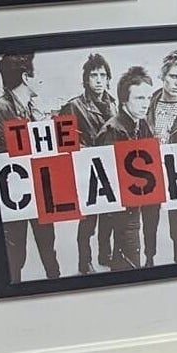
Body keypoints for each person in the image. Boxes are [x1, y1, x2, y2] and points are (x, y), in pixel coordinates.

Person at [0, 53, 60, 281]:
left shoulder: (29, 108)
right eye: (38, 77)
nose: (41, 82)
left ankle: (55, 282)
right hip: (15, 192)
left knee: (48, 242)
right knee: (16, 250)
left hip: (35, 188)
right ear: (26, 78)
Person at [59, 54, 115, 274]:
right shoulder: (73, 106)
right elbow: (64, 142)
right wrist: (81, 151)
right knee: (88, 221)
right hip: (87, 171)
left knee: (109, 215)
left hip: (109, 168)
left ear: (108, 78)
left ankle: (105, 253)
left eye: (103, 75)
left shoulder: (113, 103)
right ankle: (85, 261)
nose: (99, 80)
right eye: (94, 75)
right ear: (86, 79)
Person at [97, 68, 155, 270]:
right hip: (123, 211)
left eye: (148, 97)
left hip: (137, 205)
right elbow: (106, 179)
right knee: (129, 264)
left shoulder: (142, 124)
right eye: (139, 98)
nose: (146, 103)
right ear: (124, 101)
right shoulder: (113, 131)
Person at [142, 50, 177, 267]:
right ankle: (149, 259)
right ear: (163, 76)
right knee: (149, 221)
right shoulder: (149, 100)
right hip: (150, 170)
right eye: (173, 76)